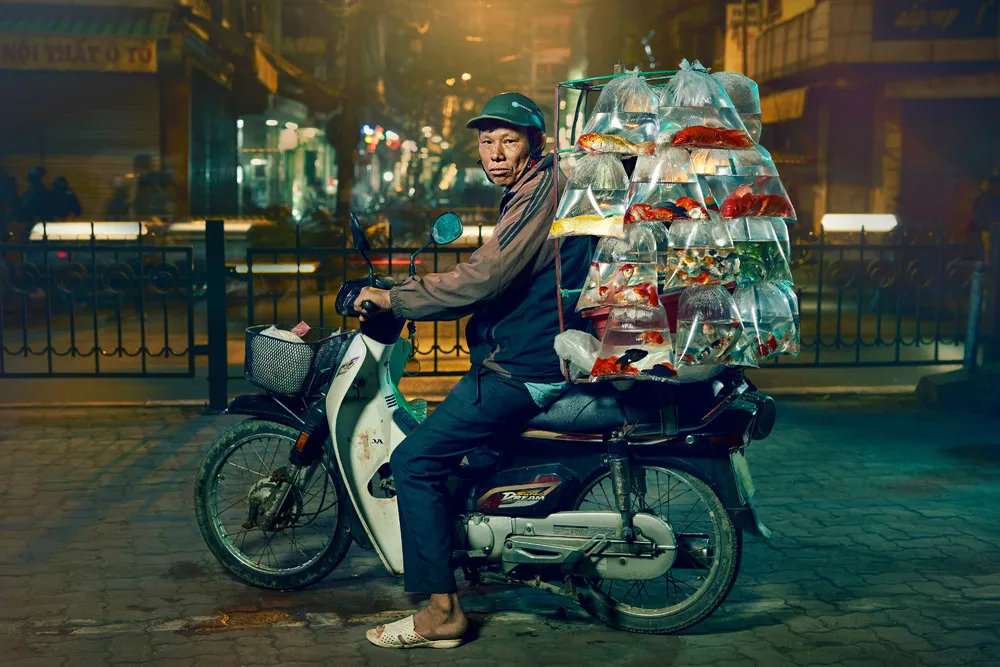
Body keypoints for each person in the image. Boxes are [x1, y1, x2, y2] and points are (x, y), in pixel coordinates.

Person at [355, 92, 590, 649]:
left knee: (414, 462)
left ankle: (443, 612)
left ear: (535, 143)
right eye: (487, 142)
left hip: (519, 366)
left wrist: (397, 299)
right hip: (526, 354)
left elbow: (486, 276)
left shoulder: (540, 191)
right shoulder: (533, 189)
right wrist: (413, 295)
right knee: (473, 462)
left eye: (509, 140)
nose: (496, 153)